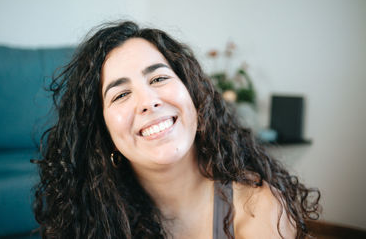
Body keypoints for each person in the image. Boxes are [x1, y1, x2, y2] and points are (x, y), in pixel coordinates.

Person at [32, 21, 320, 239]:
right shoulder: (92, 221)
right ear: (102, 133)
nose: (148, 101)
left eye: (158, 78)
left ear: (193, 94)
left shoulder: (259, 207)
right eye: (120, 95)